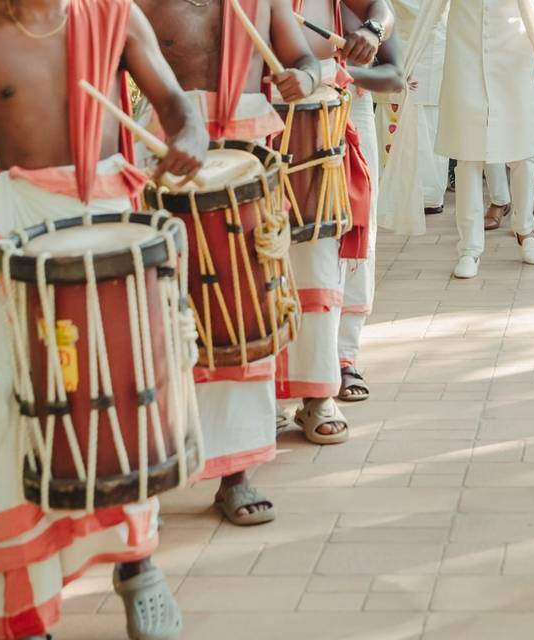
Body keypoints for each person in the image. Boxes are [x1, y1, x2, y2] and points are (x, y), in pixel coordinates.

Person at [0, 0, 207, 637]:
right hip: (16, 231)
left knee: (121, 401)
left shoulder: (115, 16)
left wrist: (189, 139)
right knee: (6, 405)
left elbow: (175, 106)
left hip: (110, 227)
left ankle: (138, 569)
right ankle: (25, 609)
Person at [136, 0, 321, 526]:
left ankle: (237, 474)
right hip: (168, 163)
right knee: (169, 317)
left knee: (243, 308)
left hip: (244, 164)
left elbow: (304, 61)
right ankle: (164, 462)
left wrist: (301, 83)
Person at [277, 0, 392, 440]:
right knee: (258, 262)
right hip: (248, 112)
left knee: (319, 260)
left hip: (320, 117)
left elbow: (378, 11)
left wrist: (372, 31)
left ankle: (321, 389)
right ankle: (266, 393)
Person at [439, 0, 534, 280]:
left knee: (523, 149)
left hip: (515, 53)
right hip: (465, 53)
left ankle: (525, 230)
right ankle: (469, 249)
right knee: (468, 152)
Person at [337, 4, 404, 402]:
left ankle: (345, 356)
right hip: (279, 113)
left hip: (350, 114)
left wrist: (339, 74)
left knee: (356, 231)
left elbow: (394, 74)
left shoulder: (368, 10)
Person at [374, 0, 448, 215]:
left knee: (429, 123)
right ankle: (403, 193)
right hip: (398, 45)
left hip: (431, 48)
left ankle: (427, 193)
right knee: (400, 118)